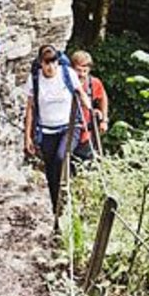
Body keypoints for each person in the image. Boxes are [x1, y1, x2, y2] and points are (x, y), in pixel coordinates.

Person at [24, 45, 92, 218]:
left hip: (69, 127)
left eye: (53, 62)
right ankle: (58, 211)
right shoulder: (35, 79)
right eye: (46, 63)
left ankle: (68, 195)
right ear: (40, 63)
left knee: (62, 157)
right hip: (46, 131)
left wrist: (90, 109)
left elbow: (81, 93)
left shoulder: (67, 73)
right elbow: (30, 109)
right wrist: (28, 138)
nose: (50, 67)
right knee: (51, 174)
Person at [71, 50, 109, 157]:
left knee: (86, 161)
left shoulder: (93, 83)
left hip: (86, 131)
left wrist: (104, 120)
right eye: (78, 70)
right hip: (68, 130)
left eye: (85, 71)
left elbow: (103, 98)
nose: (81, 74)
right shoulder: (66, 82)